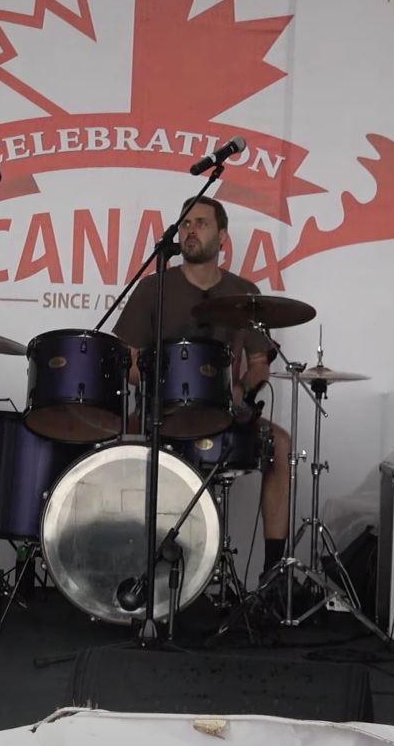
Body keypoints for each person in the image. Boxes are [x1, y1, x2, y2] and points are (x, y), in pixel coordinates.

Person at [113, 196, 296, 579]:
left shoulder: (244, 291)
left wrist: (241, 391)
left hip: (223, 414)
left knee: (279, 443)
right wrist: (158, 385)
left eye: (201, 223)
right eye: (184, 224)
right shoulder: (153, 289)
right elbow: (128, 361)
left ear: (223, 237)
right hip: (161, 412)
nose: (190, 230)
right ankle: (136, 565)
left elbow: (259, 364)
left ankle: (273, 573)